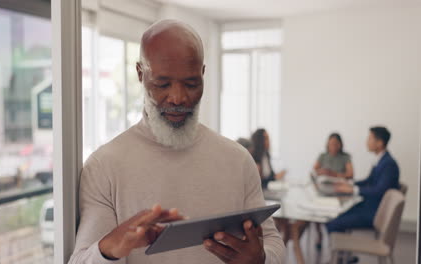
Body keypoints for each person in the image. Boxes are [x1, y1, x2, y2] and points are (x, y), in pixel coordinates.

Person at [68, 19, 285, 264]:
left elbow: (271, 240)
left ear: (203, 74)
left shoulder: (237, 160)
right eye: (163, 84)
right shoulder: (104, 166)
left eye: (191, 84)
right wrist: (109, 248)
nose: (178, 97)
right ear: (140, 74)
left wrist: (263, 260)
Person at [326, 126, 400, 233]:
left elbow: (380, 191)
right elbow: (369, 181)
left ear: (379, 143)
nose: (367, 141)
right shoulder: (381, 160)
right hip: (369, 206)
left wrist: (353, 190)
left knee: (332, 222)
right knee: (336, 215)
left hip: (374, 212)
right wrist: (350, 184)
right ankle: (342, 247)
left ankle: (341, 246)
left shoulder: (389, 164)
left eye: (370, 138)